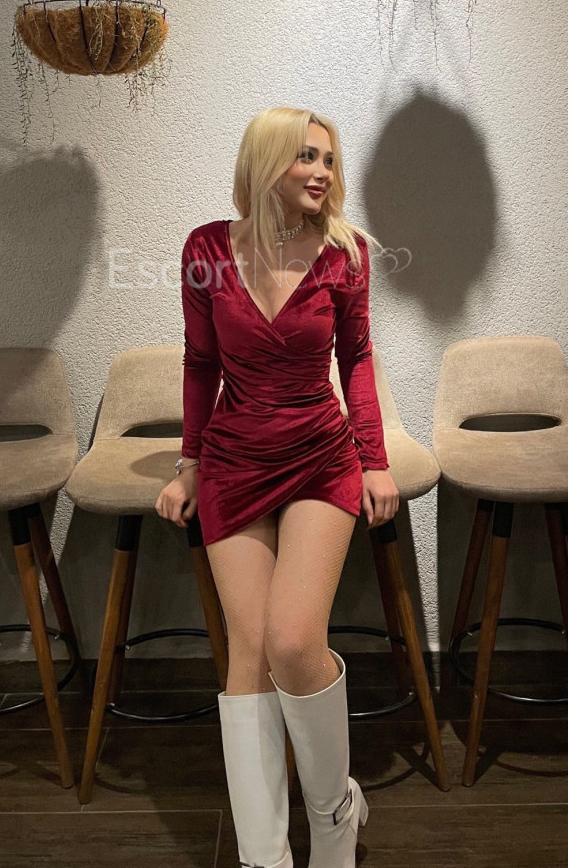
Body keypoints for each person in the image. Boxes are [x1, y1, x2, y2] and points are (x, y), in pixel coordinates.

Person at [155, 106, 398, 868]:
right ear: (265, 162)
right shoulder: (205, 250)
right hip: (234, 459)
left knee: (293, 641)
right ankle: (263, 856)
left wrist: (373, 458)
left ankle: (334, 818)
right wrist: (190, 462)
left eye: (328, 158)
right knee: (250, 649)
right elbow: (200, 363)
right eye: (305, 156)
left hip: (319, 455)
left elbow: (356, 358)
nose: (322, 171)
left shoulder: (345, 254)